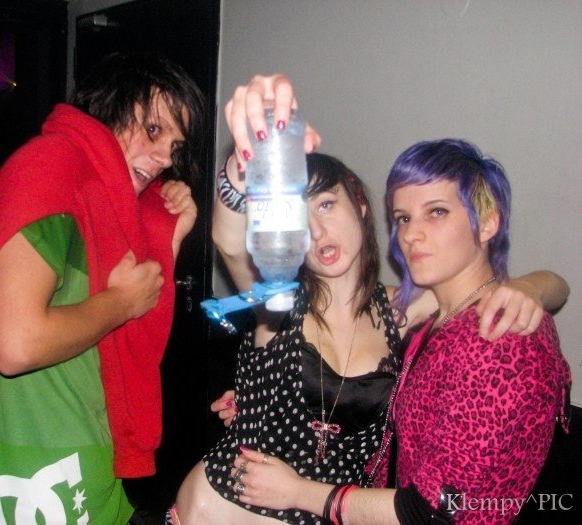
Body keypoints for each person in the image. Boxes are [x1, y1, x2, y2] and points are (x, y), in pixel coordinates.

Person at [170, 76, 569, 525]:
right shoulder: (277, 301)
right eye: (297, 215)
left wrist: (533, 286)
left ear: (359, 204)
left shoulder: (407, 310)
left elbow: (513, 290)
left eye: (325, 204)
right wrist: (247, 159)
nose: (316, 231)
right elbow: (227, 240)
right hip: (219, 510)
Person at [0, 51, 205, 524]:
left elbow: (130, 331)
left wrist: (171, 233)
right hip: (36, 461)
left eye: (175, 144)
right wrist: (121, 303)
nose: (166, 157)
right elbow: (15, 344)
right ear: (109, 106)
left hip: (88, 448)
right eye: (153, 129)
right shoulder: (51, 167)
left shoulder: (108, 198)